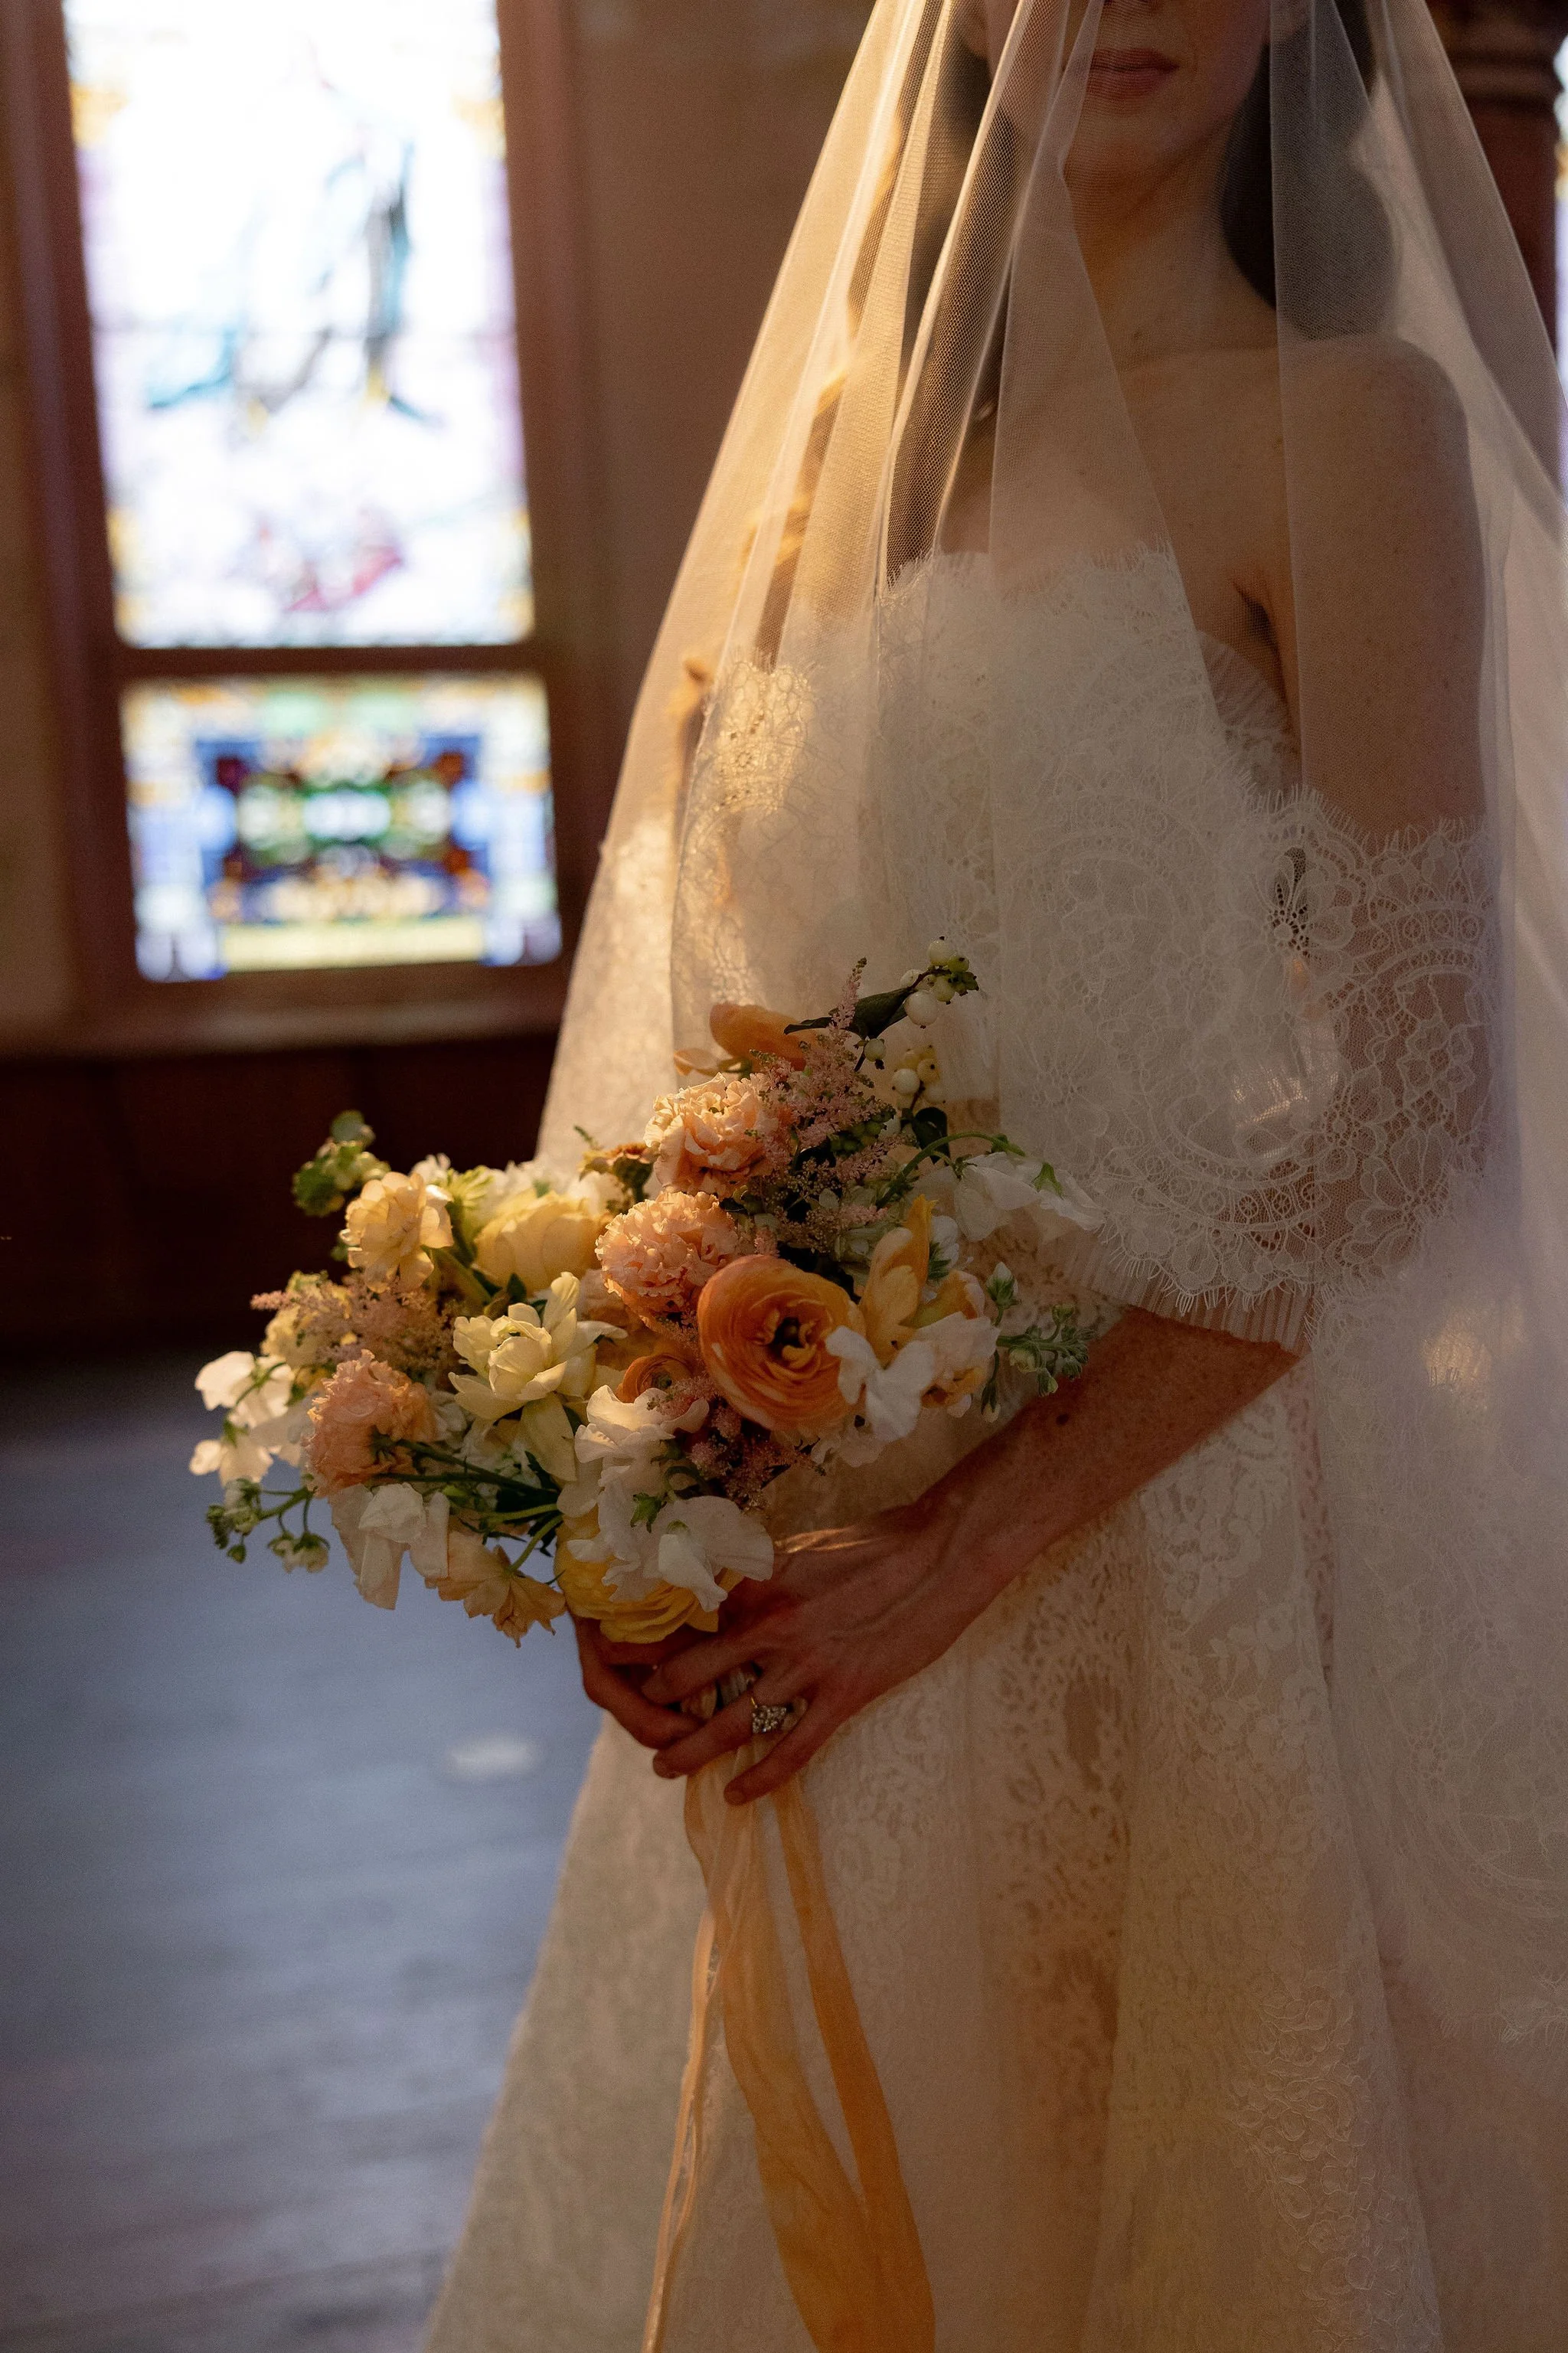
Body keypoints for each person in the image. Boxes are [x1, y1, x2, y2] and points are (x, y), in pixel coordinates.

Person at [428, 0, 1568, 2344]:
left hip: (1184, 1512)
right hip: (841, 1519)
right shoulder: (849, 454)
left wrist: (961, 1551)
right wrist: (645, 1489)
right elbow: (722, 1044)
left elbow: (1397, 1113)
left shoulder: (1342, 436)